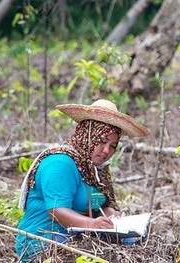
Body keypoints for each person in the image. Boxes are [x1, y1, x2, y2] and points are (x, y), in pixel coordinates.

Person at [15, 99, 150, 262]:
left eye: (113, 145)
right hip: (44, 240)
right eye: (101, 142)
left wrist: (108, 213)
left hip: (78, 237)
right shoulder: (60, 163)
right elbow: (56, 211)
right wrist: (92, 224)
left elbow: (95, 205)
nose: (106, 151)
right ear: (86, 135)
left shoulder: (95, 169)